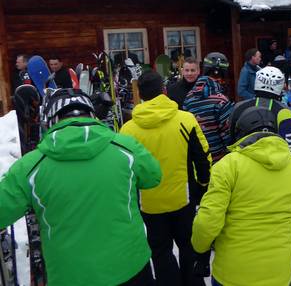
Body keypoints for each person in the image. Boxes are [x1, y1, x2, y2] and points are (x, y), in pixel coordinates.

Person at [0, 88, 162, 285]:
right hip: (130, 266)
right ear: (92, 115)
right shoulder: (125, 147)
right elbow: (154, 176)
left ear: (50, 121)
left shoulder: (30, 166)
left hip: (70, 275)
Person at [192, 106, 291, 286]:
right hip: (278, 272)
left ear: (239, 133)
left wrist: (199, 247)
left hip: (233, 274)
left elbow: (207, 222)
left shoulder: (228, 166)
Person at [120, 71, 212, 286]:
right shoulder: (185, 119)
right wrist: (203, 185)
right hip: (183, 198)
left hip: (149, 203)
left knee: (161, 252)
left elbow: (125, 169)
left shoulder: (127, 130)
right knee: (188, 247)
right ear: (164, 90)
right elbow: (203, 157)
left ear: (140, 95)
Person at [229, 66, 291, 157]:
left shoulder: (239, 107)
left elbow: (231, 137)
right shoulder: (287, 112)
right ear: (280, 85)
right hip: (277, 161)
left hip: (243, 159)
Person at [183, 52, 234, 163]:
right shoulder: (221, 100)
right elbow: (228, 135)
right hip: (219, 160)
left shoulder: (189, 97)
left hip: (197, 160)